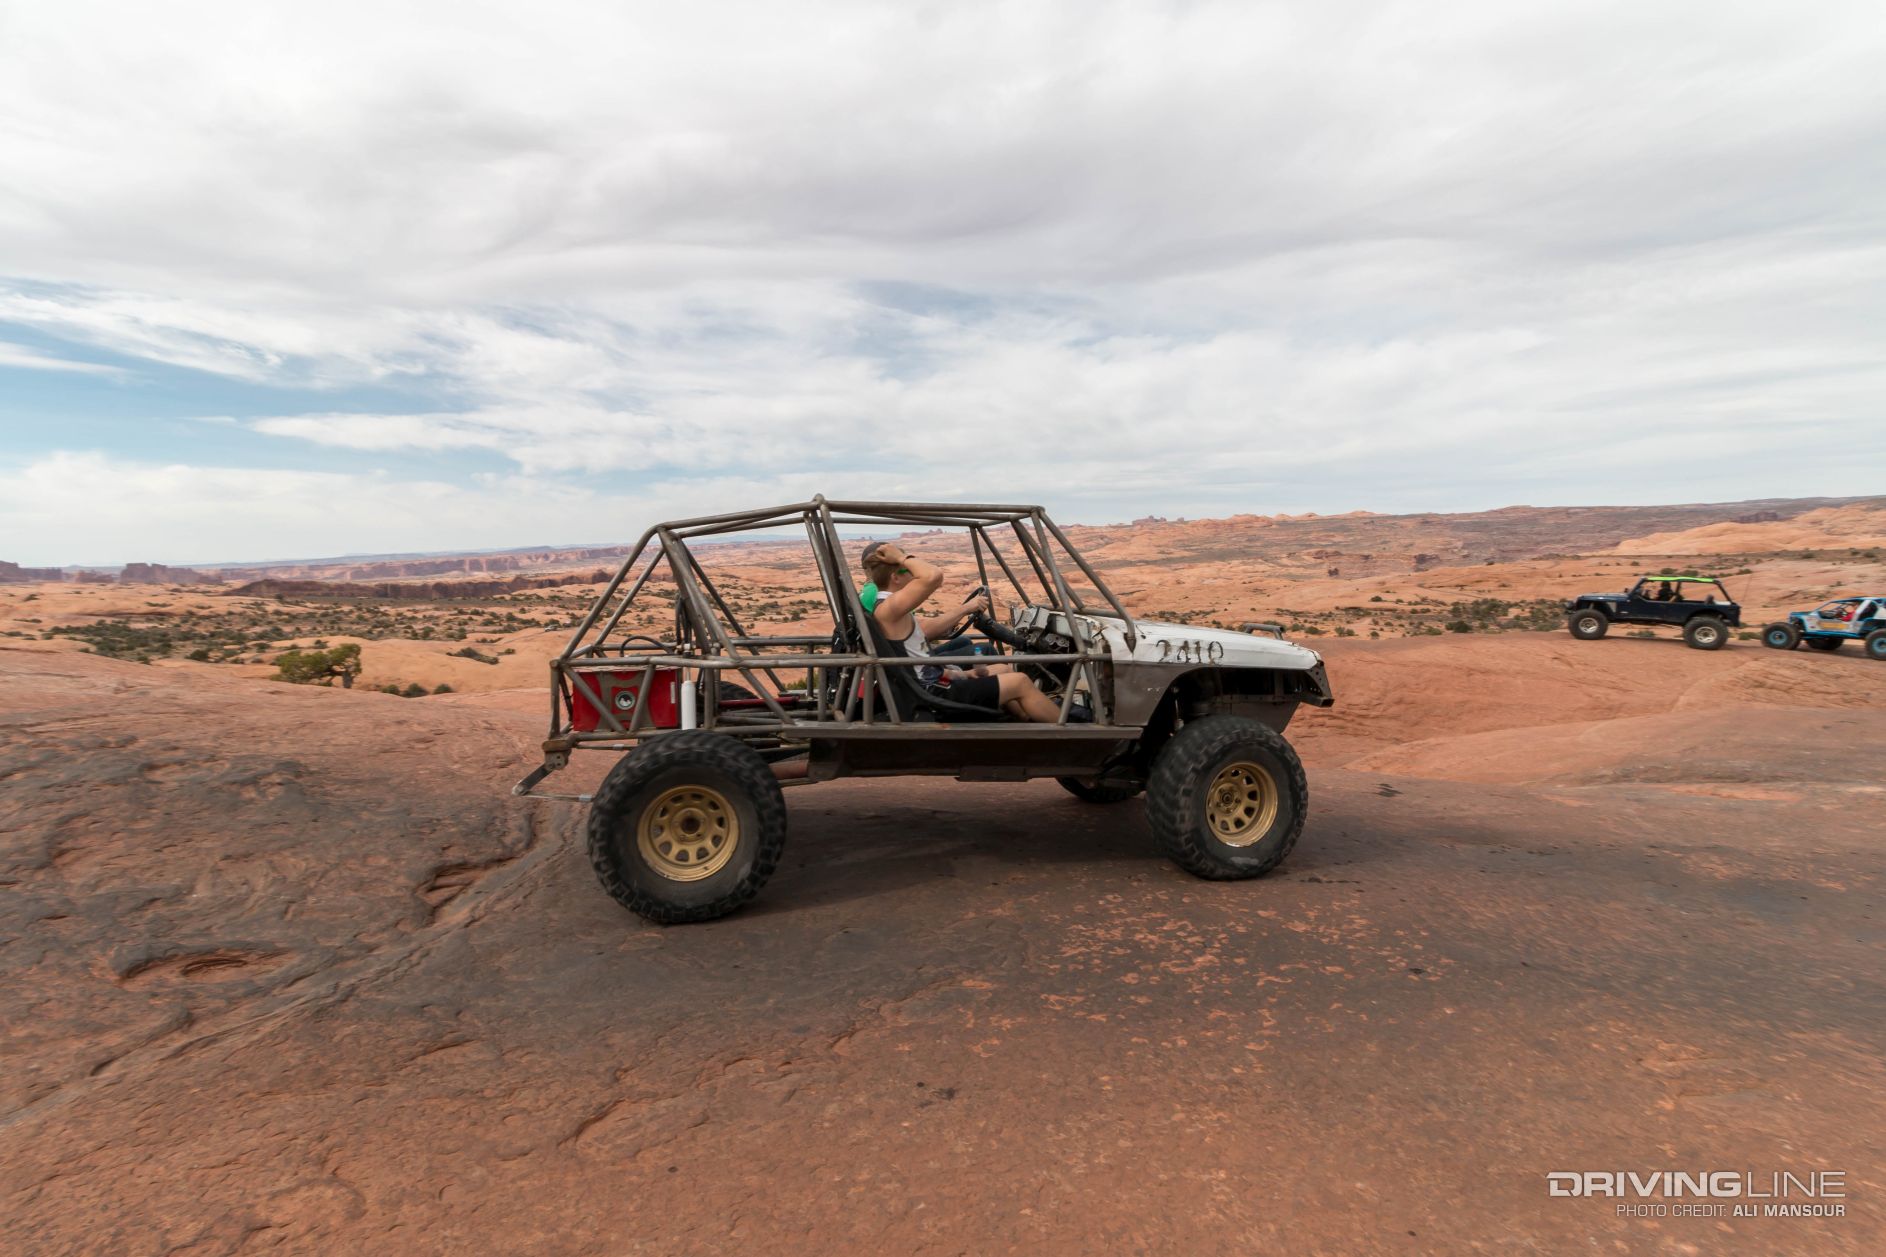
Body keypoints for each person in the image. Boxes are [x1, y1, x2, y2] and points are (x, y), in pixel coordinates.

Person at [860, 541, 1061, 721]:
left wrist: (960, 675)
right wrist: (901, 557)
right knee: (1020, 682)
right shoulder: (890, 609)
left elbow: (918, 662)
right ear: (895, 578)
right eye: (907, 571)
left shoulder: (892, 608)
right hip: (932, 696)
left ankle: (1025, 721)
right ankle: (1069, 734)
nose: (912, 575)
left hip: (933, 684)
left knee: (1004, 669)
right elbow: (933, 576)